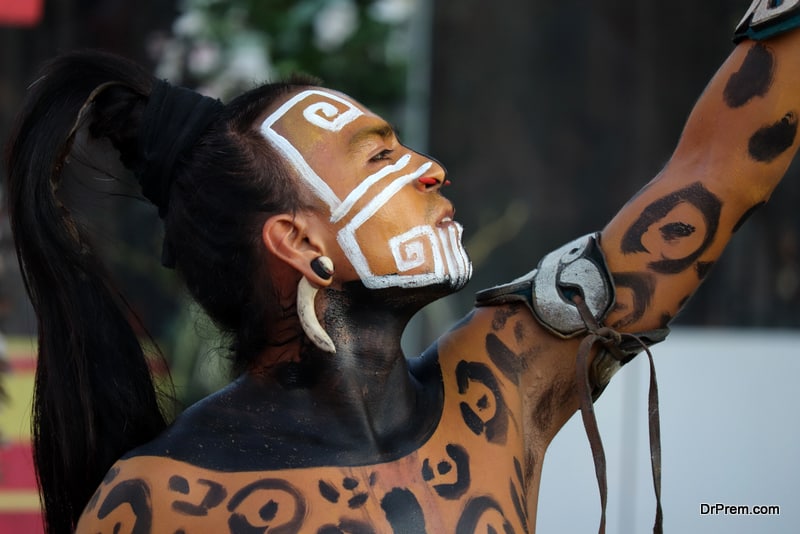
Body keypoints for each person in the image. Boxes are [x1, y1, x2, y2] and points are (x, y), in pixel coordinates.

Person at [5, 1, 800, 533]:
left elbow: (717, 169)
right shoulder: (161, 502)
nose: (429, 168)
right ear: (302, 244)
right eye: (380, 155)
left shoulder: (506, 377)